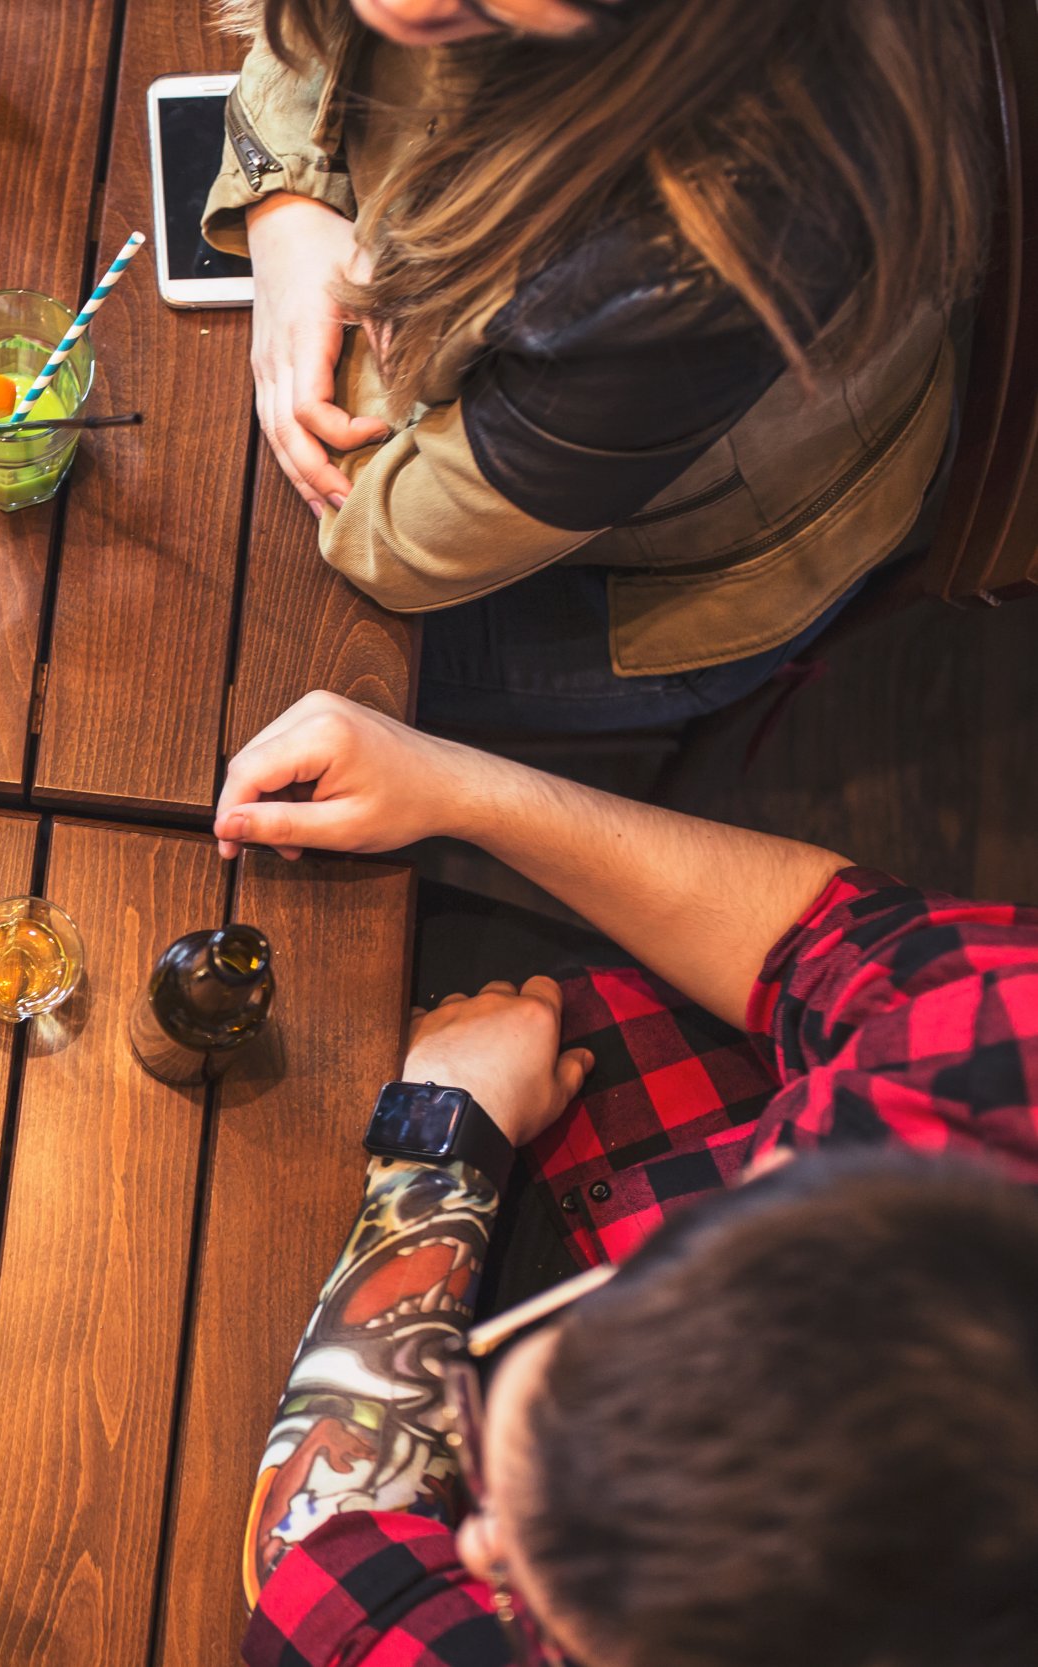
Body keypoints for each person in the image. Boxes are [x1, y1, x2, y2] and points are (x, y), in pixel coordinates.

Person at [216, 689, 1038, 1664]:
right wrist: (456, 781)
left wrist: (442, 1137)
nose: (469, 1545)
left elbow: (323, 1567)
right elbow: (818, 943)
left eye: (528, 1594)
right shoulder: (1004, 1062)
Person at [207, 0, 989, 731]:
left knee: (232, 674)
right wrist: (288, 205)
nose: (404, 8)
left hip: (661, 580)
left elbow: (393, 543)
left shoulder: (714, 233)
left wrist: (327, 256)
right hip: (533, 441)